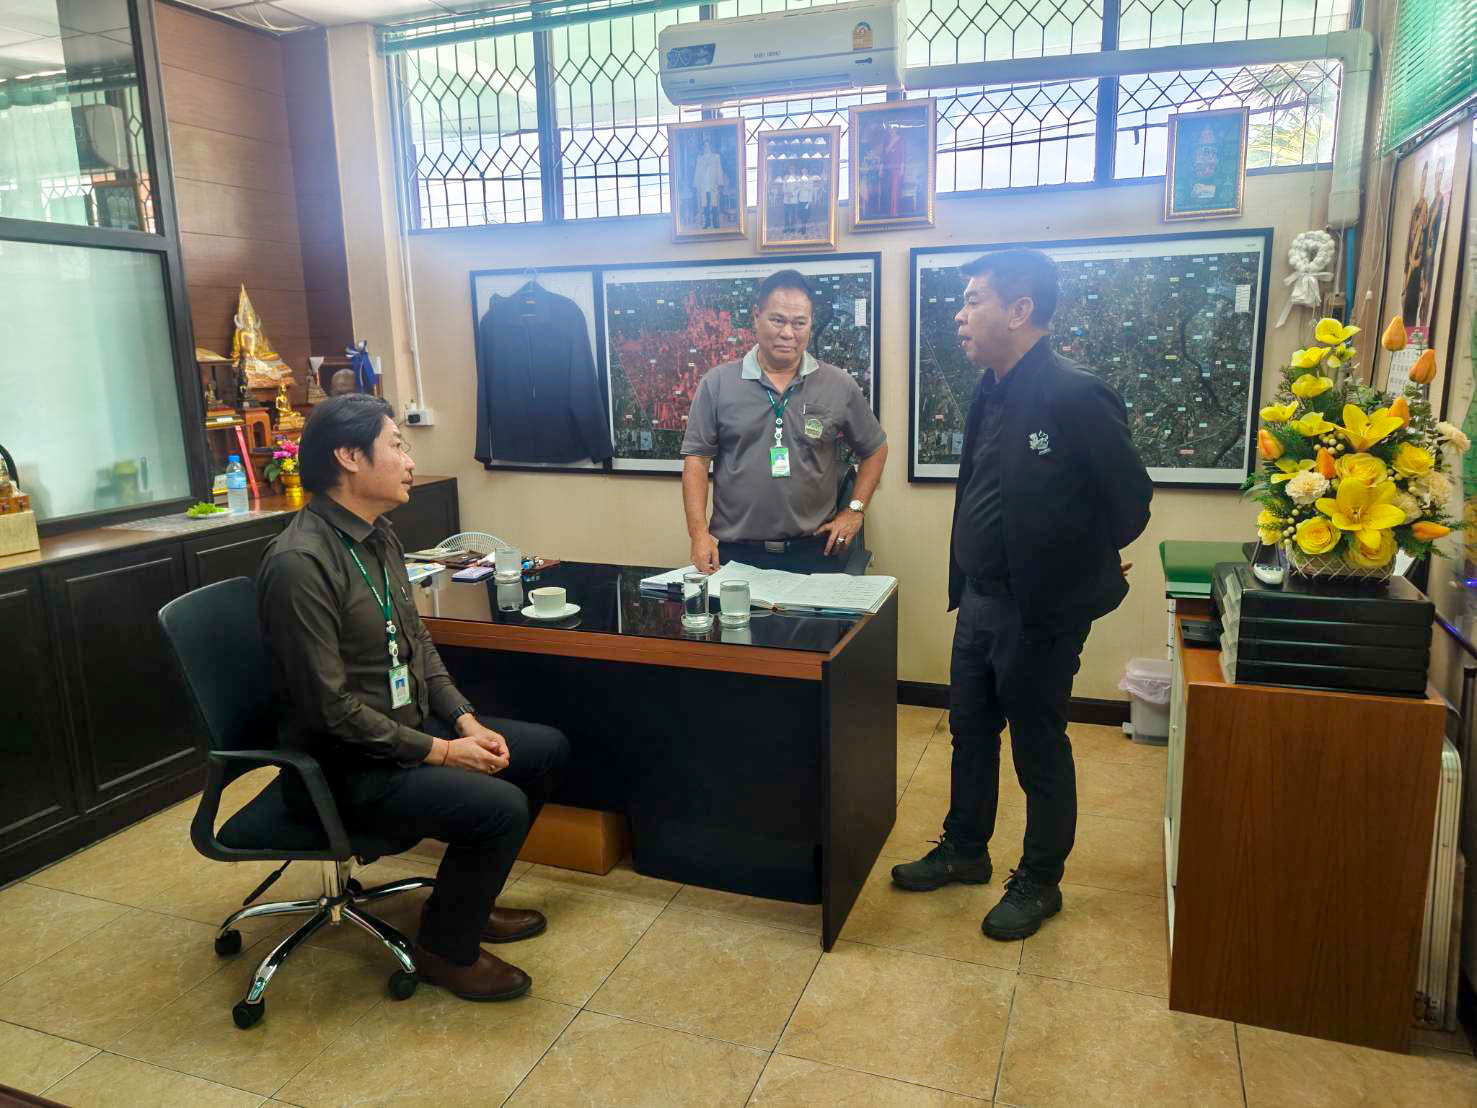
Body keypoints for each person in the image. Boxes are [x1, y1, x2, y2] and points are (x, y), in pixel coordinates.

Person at [257, 394, 570, 1000]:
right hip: (344, 767)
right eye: (396, 445)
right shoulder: (301, 563)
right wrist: (445, 752)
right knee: (500, 806)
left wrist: (465, 720)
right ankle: (445, 951)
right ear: (349, 457)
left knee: (542, 751)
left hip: (404, 729)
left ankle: (462, 904)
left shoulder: (376, 535)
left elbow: (415, 641)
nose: (409, 460)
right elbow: (330, 711)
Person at [891, 249, 1151, 940]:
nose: (959, 314)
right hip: (978, 600)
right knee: (970, 731)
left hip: (1039, 610)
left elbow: (1130, 503)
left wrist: (1074, 567)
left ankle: (1040, 880)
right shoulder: (990, 388)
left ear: (1019, 310)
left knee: (1037, 745)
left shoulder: (1074, 393)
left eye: (973, 299)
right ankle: (964, 848)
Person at [681, 269, 888, 574]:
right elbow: (697, 461)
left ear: (810, 324)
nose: (788, 333)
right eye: (777, 320)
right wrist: (698, 535)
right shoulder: (718, 383)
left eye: (799, 323)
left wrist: (855, 510)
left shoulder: (838, 385)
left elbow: (875, 449)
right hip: (736, 554)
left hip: (815, 553)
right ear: (756, 316)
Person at [694, 138, 726, 230]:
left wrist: (720, 182)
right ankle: (707, 223)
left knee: (714, 205)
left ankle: (715, 223)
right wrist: (697, 184)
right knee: (705, 205)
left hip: (713, 184)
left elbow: (719, 170)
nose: (706, 147)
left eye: (708, 146)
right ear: (703, 147)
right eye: (705, 146)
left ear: (710, 146)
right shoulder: (700, 158)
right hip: (704, 185)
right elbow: (697, 172)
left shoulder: (716, 157)